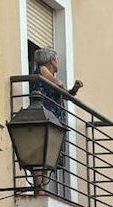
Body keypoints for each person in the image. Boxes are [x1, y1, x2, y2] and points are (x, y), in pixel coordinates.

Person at [30, 47, 83, 194]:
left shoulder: (44, 71)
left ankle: (42, 189)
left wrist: (73, 90)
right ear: (51, 60)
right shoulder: (42, 69)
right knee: (42, 154)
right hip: (45, 117)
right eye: (56, 60)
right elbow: (58, 85)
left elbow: (65, 94)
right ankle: (40, 189)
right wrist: (64, 87)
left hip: (50, 118)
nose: (57, 63)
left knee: (46, 155)